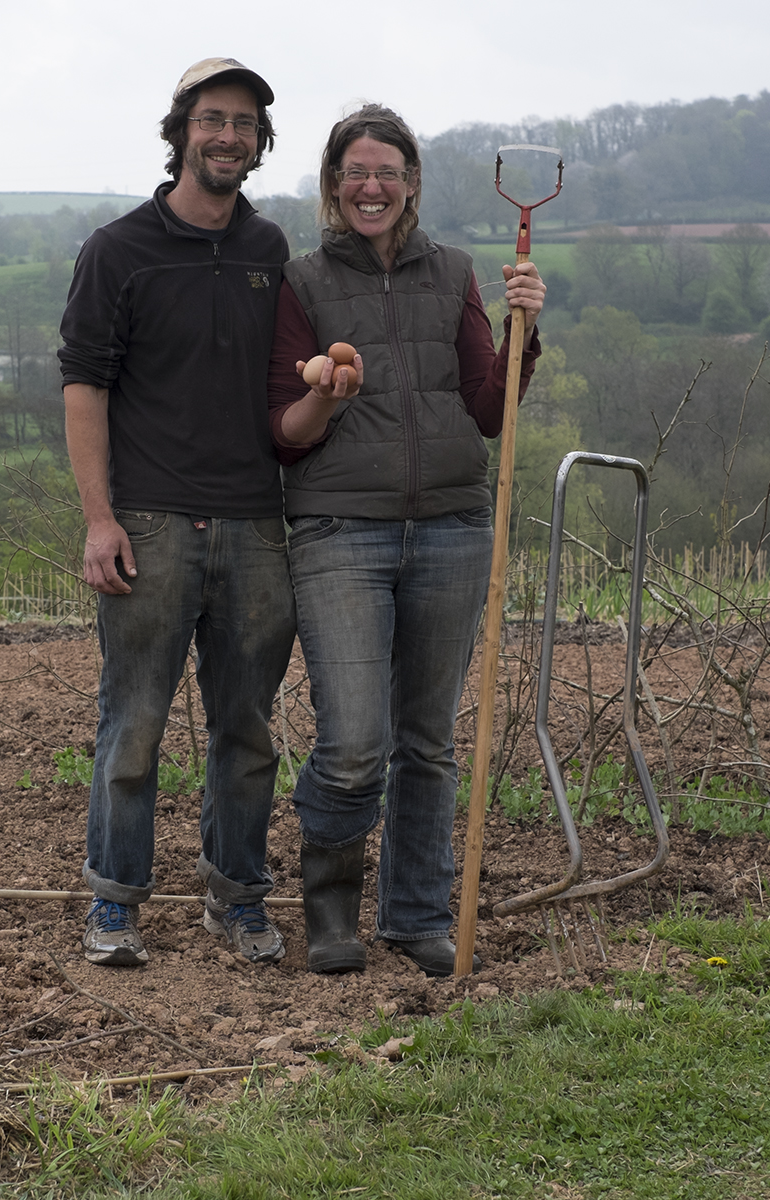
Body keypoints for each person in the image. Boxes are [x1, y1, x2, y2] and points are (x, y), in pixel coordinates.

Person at [267, 104, 546, 977]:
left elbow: (489, 409)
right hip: (340, 531)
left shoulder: (455, 271)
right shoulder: (303, 281)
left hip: (453, 529)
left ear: (413, 182)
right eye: (356, 172)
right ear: (333, 185)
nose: (372, 187)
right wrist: (327, 390)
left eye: (388, 171)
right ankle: (332, 911)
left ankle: (418, 913)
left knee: (425, 741)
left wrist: (522, 333)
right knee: (352, 740)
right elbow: (286, 431)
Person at [57, 58, 296, 968]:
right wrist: (99, 518)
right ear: (181, 130)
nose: (228, 135)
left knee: (248, 728)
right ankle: (114, 905)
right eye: (212, 119)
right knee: (135, 725)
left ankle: (235, 900)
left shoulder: (268, 252)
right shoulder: (118, 250)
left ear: (259, 142)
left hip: (253, 525)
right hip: (149, 526)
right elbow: (85, 387)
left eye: (243, 123)